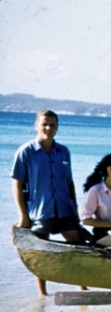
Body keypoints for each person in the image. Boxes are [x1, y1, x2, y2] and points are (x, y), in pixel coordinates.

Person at [10, 110, 85, 296]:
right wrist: (23, 216)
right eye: (44, 124)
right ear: (37, 126)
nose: (48, 128)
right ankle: (43, 294)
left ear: (57, 127)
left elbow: (69, 182)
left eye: (52, 125)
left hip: (65, 209)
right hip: (40, 211)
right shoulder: (25, 152)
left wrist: (75, 210)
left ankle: (82, 288)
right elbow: (17, 185)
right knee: (41, 252)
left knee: (79, 247)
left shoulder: (64, 152)